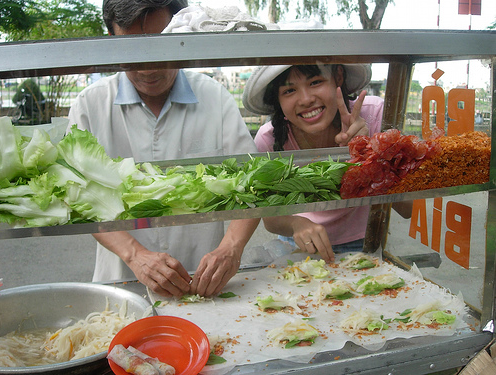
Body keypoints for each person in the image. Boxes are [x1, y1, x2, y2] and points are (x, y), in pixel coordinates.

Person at [68, 0, 259, 298]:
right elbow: (77, 196)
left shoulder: (214, 97)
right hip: (122, 284)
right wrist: (134, 255)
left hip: (204, 281)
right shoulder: (90, 106)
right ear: (111, 43)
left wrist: (231, 248)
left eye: (161, 46)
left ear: (180, 36)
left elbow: (252, 184)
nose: (148, 67)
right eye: (132, 50)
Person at [243, 63, 410, 263]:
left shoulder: (375, 116)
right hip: (298, 246)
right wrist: (296, 223)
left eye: (315, 82)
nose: (306, 99)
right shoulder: (268, 140)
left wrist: (367, 154)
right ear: (277, 100)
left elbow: (408, 208)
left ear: (338, 77)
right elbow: (271, 219)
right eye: (289, 90)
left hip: (368, 244)